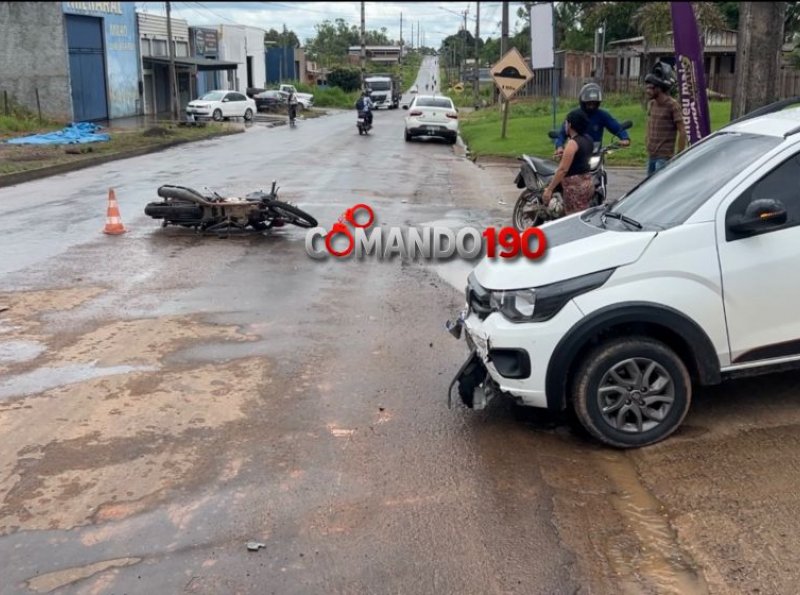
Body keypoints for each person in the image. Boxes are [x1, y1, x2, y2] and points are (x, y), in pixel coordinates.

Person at [555, 83, 631, 158]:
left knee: (601, 169)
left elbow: (615, 126)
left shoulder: (602, 115)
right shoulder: (574, 115)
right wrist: (559, 146)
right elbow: (562, 133)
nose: (591, 106)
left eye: (594, 103)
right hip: (576, 153)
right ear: (582, 102)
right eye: (589, 104)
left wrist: (625, 138)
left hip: (596, 153)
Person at [543, 109, 596, 216]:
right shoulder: (589, 139)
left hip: (574, 188)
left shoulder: (572, 143)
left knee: (572, 219)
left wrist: (549, 189)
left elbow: (563, 169)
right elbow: (580, 157)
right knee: (582, 216)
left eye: (566, 123)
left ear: (570, 125)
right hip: (587, 183)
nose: (565, 125)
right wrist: (564, 155)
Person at [644, 61, 687, 176]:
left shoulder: (672, 105)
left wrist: (679, 154)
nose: (648, 91)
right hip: (651, 155)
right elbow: (650, 124)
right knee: (647, 187)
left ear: (659, 88)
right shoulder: (652, 104)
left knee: (659, 187)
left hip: (664, 158)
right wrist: (647, 140)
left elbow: (682, 131)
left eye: (651, 88)